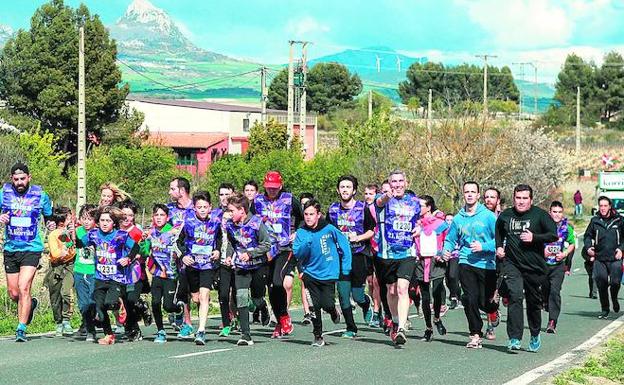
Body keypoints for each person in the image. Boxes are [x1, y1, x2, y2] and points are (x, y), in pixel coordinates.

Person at [496, 184, 557, 353]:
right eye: (518, 198)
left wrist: (534, 237)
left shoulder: (540, 215)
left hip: (534, 266)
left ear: (531, 199)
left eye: (524, 198)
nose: (521, 202)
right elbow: (499, 231)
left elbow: (553, 234)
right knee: (515, 297)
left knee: (533, 302)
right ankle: (514, 338)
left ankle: (535, 333)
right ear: (514, 197)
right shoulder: (506, 215)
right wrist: (499, 247)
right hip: (512, 264)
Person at [0, 162, 54, 342]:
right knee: (14, 293)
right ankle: (31, 305)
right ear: (11, 180)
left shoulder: (40, 195)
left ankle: (21, 328)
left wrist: (51, 223)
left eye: (23, 179)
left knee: (24, 287)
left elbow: (49, 217)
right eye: (16, 179)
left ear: (29, 178)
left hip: (32, 248)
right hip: (11, 248)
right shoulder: (4, 193)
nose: (19, 182)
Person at [443, 181, 498, 349]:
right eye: (467, 192)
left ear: (478, 195)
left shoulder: (488, 216)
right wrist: (446, 250)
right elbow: (451, 239)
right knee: (469, 298)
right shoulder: (458, 219)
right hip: (466, 261)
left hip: (487, 263)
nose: (469, 195)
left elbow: (501, 241)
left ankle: (492, 309)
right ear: (463, 194)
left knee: (484, 301)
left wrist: (484, 246)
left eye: (473, 192)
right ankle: (475, 334)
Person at [77, 206, 139, 345]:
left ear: (114, 223)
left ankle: (120, 303)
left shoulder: (121, 235)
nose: (104, 223)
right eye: (102, 220)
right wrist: (72, 234)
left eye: (108, 220)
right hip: (100, 277)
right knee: (100, 307)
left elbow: (136, 247)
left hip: (116, 278)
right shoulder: (93, 234)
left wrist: (128, 258)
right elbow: (80, 244)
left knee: (110, 303)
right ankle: (109, 335)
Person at [252, 171, 303, 338]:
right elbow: (250, 220)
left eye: (274, 188)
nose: (271, 191)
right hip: (265, 249)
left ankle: (283, 316)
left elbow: (303, 218)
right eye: (269, 188)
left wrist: (298, 232)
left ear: (280, 186)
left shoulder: (289, 199)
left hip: (284, 248)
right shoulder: (258, 201)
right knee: (269, 287)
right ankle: (281, 320)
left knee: (277, 282)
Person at [293, 199, 350, 347]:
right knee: (314, 306)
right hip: (310, 273)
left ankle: (333, 311)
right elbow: (298, 253)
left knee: (327, 304)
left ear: (318, 215)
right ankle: (318, 335)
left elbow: (344, 245)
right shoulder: (301, 232)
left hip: (328, 272)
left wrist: (346, 267)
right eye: (306, 214)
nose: (308, 217)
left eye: (311, 214)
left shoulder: (329, 228)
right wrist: (307, 243)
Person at [374, 170, 420, 345]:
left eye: (401, 181)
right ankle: (394, 320)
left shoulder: (414, 202)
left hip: (407, 253)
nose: (398, 184)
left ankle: (401, 327)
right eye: (394, 181)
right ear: (389, 183)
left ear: (406, 183)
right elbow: (379, 201)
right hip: (386, 254)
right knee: (391, 291)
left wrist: (420, 228)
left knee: (402, 289)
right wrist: (387, 195)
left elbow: (421, 221)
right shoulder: (383, 199)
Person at [326, 175, 375, 338]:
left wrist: (358, 238)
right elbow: (327, 232)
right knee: (343, 293)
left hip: (358, 254)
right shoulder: (332, 210)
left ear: (354, 190)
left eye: (348, 187)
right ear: (338, 190)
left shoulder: (362, 208)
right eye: (342, 187)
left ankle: (366, 304)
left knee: (357, 294)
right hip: (340, 257)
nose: (345, 190)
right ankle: (351, 327)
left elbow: (371, 230)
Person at [225, 193, 272, 345]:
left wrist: (250, 254)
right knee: (241, 297)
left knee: (256, 298)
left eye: (232, 211)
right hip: (241, 267)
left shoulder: (257, 223)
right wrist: (228, 256)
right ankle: (246, 335)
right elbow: (232, 243)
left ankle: (262, 306)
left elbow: (266, 245)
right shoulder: (230, 225)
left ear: (242, 210)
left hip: (258, 266)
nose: (229, 214)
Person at [178, 191, 222, 345]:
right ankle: (189, 321)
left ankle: (201, 330)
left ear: (210, 207)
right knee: (195, 297)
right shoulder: (188, 222)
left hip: (207, 265)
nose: (202, 209)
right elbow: (179, 242)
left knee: (204, 296)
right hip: (192, 265)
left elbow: (219, 238)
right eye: (199, 207)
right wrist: (184, 255)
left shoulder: (215, 222)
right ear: (194, 209)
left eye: (205, 207)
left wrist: (217, 250)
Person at [143, 204, 184, 343]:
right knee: (155, 302)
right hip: (157, 273)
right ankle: (161, 331)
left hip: (171, 274)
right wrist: (144, 241)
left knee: (167, 306)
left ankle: (178, 310)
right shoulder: (151, 232)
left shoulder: (173, 231)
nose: (159, 218)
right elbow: (144, 251)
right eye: (156, 215)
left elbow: (180, 249)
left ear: (167, 217)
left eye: (162, 215)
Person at [413, 195, 449, 341]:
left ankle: (437, 318)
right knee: (425, 296)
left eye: (421, 205)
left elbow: (449, 240)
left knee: (436, 292)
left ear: (428, 207)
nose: (418, 208)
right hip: (421, 263)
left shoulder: (440, 224)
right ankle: (428, 327)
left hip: (437, 261)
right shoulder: (415, 224)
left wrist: (444, 252)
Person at [582, 196, 624, 319]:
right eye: (601, 206)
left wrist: (621, 249)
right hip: (599, 257)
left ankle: (614, 298)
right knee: (601, 283)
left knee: (615, 282)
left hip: (615, 257)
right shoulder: (595, 221)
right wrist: (589, 247)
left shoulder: (619, 220)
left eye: (605, 206)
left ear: (610, 206)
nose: (603, 208)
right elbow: (587, 236)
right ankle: (605, 309)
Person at [167, 177, 194, 334]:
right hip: (173, 256)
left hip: (193, 254)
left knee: (194, 291)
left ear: (182, 191)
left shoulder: (196, 207)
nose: (170, 192)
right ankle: (186, 320)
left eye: (172, 189)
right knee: (179, 287)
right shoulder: (170, 209)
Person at [543, 201, 575, 333]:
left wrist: (564, 254)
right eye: (554, 212)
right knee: (545, 290)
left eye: (559, 212)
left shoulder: (567, 228)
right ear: (550, 212)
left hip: (558, 265)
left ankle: (552, 322)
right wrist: (542, 251)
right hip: (543, 264)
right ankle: (545, 302)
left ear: (562, 213)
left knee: (555, 291)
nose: (557, 214)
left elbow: (572, 244)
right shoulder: (542, 226)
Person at [46, 206, 76, 337]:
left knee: (66, 292)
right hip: (56, 266)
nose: (72, 219)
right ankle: (58, 322)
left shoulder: (71, 232)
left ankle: (66, 319)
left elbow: (75, 246)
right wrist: (60, 253)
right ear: (62, 220)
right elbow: (55, 252)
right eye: (69, 217)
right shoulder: (54, 234)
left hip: (69, 265)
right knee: (55, 296)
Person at [73, 204, 98, 342]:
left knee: (92, 301)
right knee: (83, 304)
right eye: (84, 218)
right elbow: (70, 244)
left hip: (94, 272)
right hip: (79, 270)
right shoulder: (77, 231)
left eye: (90, 218)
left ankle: (93, 324)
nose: (87, 221)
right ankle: (90, 329)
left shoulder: (98, 233)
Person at [364, 183, 383, 327]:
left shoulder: (380, 209)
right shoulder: (362, 209)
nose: (368, 197)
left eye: (371, 194)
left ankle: (377, 312)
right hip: (366, 248)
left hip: (379, 248)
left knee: (377, 282)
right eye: (366, 194)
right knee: (370, 282)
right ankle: (376, 306)